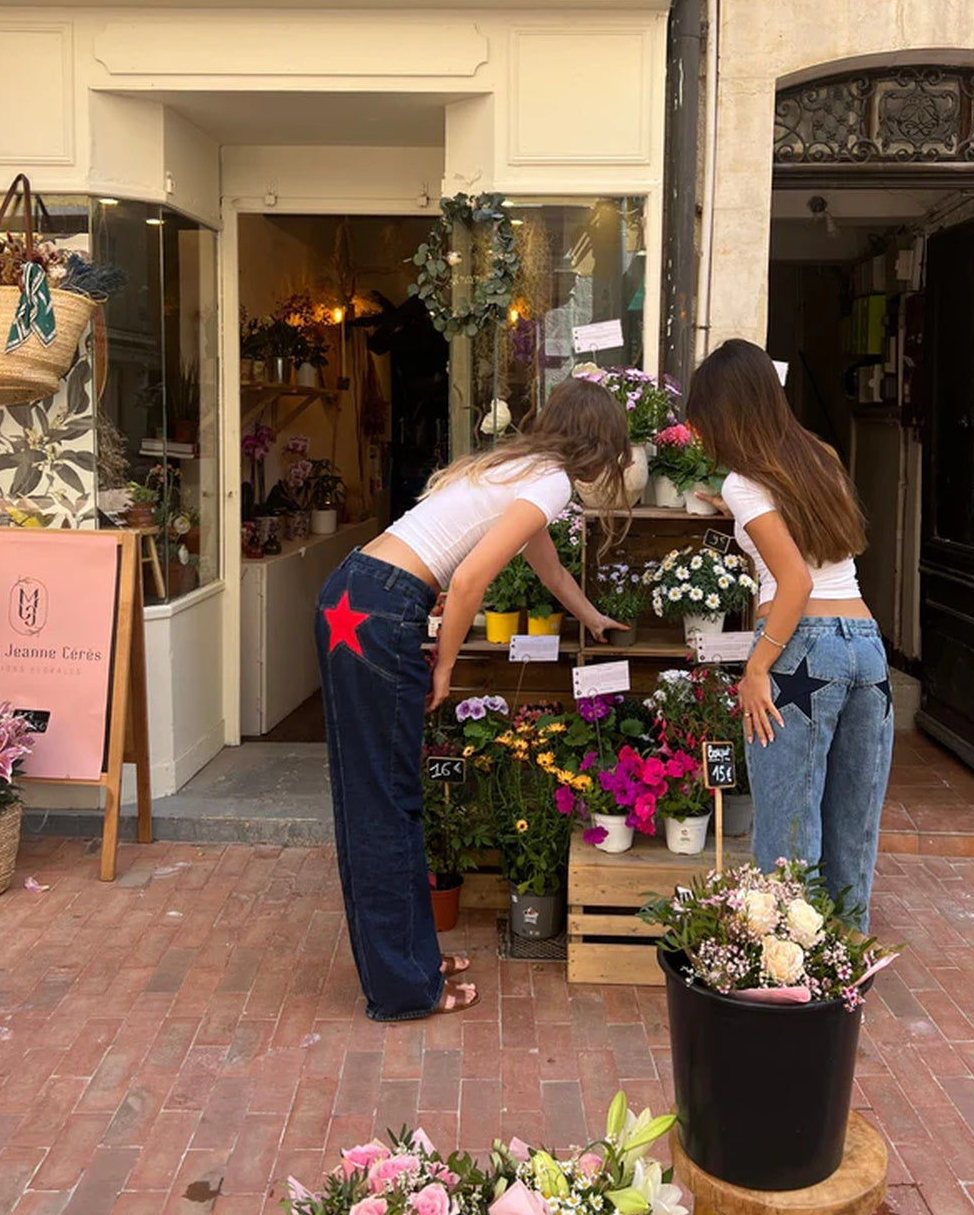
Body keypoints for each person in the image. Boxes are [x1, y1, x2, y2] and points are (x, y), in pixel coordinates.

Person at [314, 376, 630, 1020]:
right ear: (598, 445)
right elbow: (467, 581)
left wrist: (591, 617)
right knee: (385, 803)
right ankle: (402, 990)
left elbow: (548, 567)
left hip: (355, 595)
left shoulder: (520, 469)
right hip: (383, 611)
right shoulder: (551, 481)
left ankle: (412, 960)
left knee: (387, 796)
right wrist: (447, 667)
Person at [684, 339, 892, 928]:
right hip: (866, 648)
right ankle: (844, 962)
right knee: (853, 830)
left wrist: (755, 669)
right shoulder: (818, 457)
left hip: (802, 650)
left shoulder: (744, 482)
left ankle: (785, 964)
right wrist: (741, 518)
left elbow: (795, 582)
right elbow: (814, 547)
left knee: (787, 833)